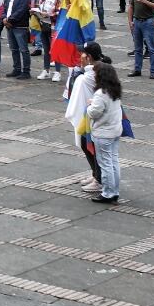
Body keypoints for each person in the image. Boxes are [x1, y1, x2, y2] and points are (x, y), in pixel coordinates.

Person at [64, 41, 106, 193]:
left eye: (82, 54)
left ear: (88, 57)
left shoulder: (88, 76)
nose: (79, 57)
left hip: (91, 116)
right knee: (87, 146)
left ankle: (100, 179)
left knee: (91, 147)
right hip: (90, 115)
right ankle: (96, 175)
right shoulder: (93, 71)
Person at [84, 61, 125, 204]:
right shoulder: (115, 89)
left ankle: (108, 193)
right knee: (114, 162)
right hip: (115, 131)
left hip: (103, 133)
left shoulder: (101, 94)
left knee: (105, 164)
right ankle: (114, 191)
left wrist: (89, 106)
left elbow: (94, 113)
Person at [127, 0, 154, 79]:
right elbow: (131, 6)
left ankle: (153, 71)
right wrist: (130, 21)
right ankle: (137, 69)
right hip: (137, 21)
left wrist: (145, 1)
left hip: (148, 22)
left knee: (151, 48)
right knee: (137, 48)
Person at [3, 0, 32, 79]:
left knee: (23, 49)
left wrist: (9, 19)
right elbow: (5, 7)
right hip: (10, 25)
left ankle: (26, 71)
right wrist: (4, 18)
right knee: (14, 49)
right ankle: (17, 68)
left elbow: (21, 10)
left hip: (19, 26)